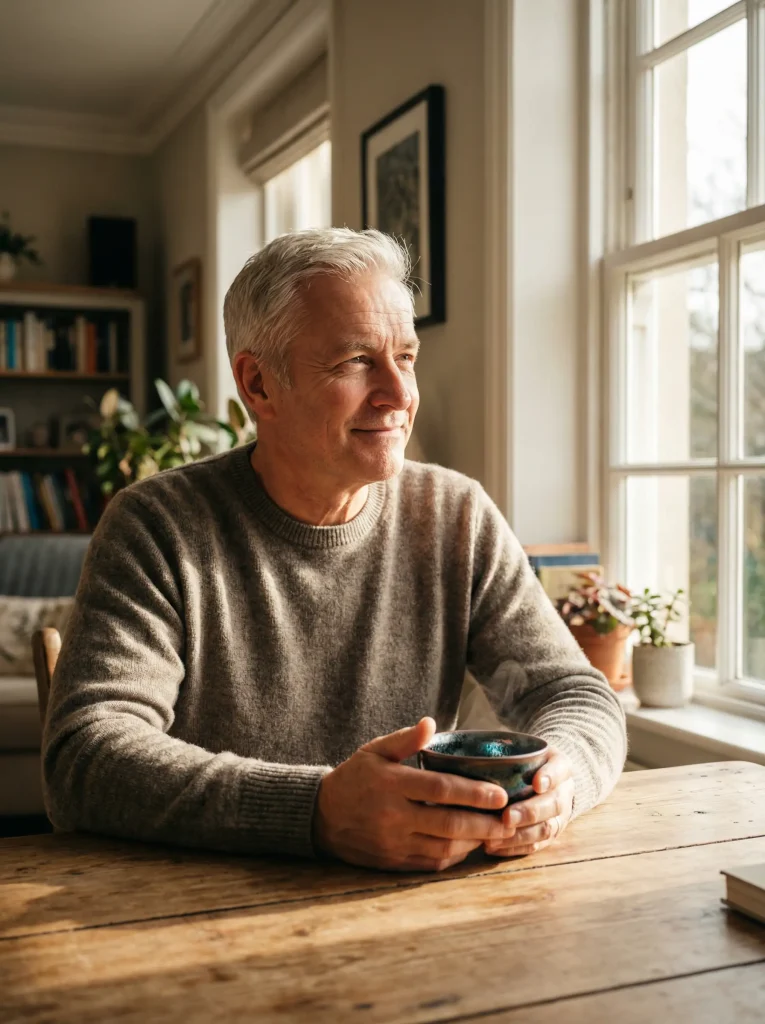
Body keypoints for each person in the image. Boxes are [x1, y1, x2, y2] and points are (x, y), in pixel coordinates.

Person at [43, 228, 626, 873]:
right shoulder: (157, 526)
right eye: (355, 362)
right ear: (259, 384)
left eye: (405, 357)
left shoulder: (456, 516)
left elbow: (577, 695)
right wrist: (314, 811)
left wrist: (558, 786)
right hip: (203, 915)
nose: (401, 395)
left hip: (424, 912)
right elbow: (85, 754)